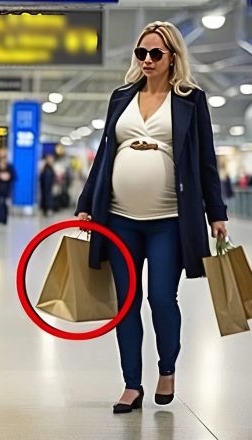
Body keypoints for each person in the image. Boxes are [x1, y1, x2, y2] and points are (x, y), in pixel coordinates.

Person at [74, 21, 228, 414]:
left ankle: (167, 369)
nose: (146, 59)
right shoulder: (121, 97)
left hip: (169, 220)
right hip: (119, 219)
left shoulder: (191, 99)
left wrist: (217, 213)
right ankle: (131, 384)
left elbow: (205, 161)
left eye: (155, 53)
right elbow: (104, 155)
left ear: (172, 57)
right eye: (141, 53)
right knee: (126, 303)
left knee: (161, 297)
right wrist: (86, 202)